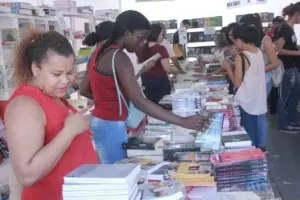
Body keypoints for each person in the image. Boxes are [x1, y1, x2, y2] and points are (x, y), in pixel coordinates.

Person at [79, 10, 209, 164]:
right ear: (127, 33)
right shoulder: (119, 57)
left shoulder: (98, 53)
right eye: (139, 38)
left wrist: (107, 99)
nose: (141, 44)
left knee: (109, 171)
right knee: (117, 174)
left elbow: (84, 89)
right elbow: (139, 101)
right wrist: (183, 121)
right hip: (111, 127)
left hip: (99, 123)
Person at [4, 30, 98, 200]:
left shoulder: (53, 95)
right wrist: (69, 132)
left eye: (70, 73)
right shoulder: (25, 105)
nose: (65, 81)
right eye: (57, 74)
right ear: (35, 68)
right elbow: (27, 175)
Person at [221, 23, 267, 151]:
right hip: (258, 95)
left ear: (240, 41)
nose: (235, 44)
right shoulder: (259, 52)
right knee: (259, 123)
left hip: (246, 98)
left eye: (235, 41)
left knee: (249, 128)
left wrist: (229, 68)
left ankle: (252, 152)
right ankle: (261, 149)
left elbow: (237, 83)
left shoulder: (241, 57)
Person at [274, 2, 300, 133]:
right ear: (296, 14)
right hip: (286, 67)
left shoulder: (290, 28)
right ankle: (283, 124)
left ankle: (291, 119)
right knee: (284, 96)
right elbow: (278, 50)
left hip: (292, 66)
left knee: (296, 91)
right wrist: (297, 52)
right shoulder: (284, 29)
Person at [137, 23, 179, 104]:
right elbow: (167, 68)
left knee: (150, 106)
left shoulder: (141, 48)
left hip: (145, 81)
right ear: (156, 34)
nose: (163, 36)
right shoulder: (160, 48)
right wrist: (178, 70)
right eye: (161, 34)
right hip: (159, 82)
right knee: (164, 106)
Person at [239, 13, 279, 95]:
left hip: (264, 79)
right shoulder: (250, 39)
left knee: (259, 105)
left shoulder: (265, 40)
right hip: (252, 79)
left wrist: (257, 71)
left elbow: (275, 64)